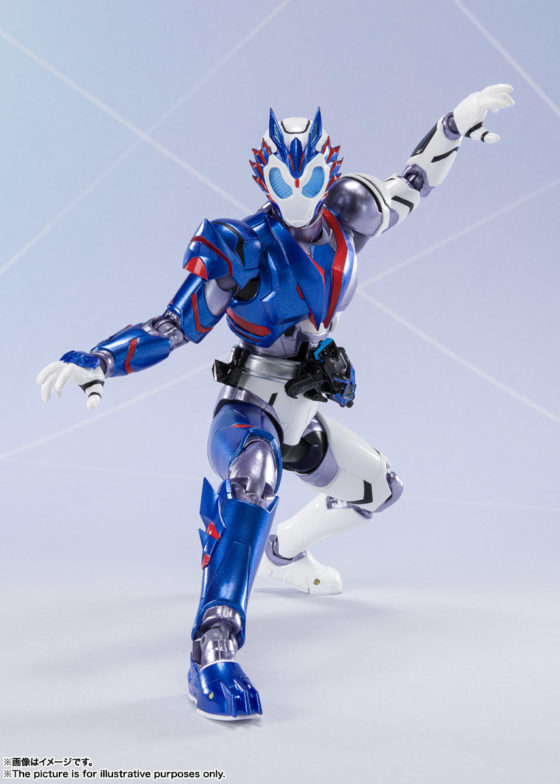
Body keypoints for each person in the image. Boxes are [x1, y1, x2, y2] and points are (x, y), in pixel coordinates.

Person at [37, 84, 514, 721]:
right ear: (263, 175)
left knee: (379, 490)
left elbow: (411, 185)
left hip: (302, 412)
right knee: (255, 475)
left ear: (328, 171)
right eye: (283, 180)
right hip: (248, 410)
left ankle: (282, 551)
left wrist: (453, 126)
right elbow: (172, 326)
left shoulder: (349, 218)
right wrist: (98, 359)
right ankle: (213, 645)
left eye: (309, 177)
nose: (297, 192)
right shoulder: (241, 247)